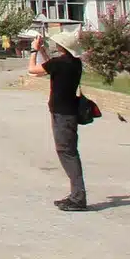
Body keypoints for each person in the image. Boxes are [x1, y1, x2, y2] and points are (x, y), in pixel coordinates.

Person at [29, 29, 87, 211]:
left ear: (62, 47)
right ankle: (75, 194)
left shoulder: (60, 63)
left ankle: (78, 197)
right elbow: (51, 65)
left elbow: (33, 70)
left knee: (67, 153)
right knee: (68, 151)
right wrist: (42, 51)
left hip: (63, 114)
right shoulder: (74, 63)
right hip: (68, 112)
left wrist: (33, 51)